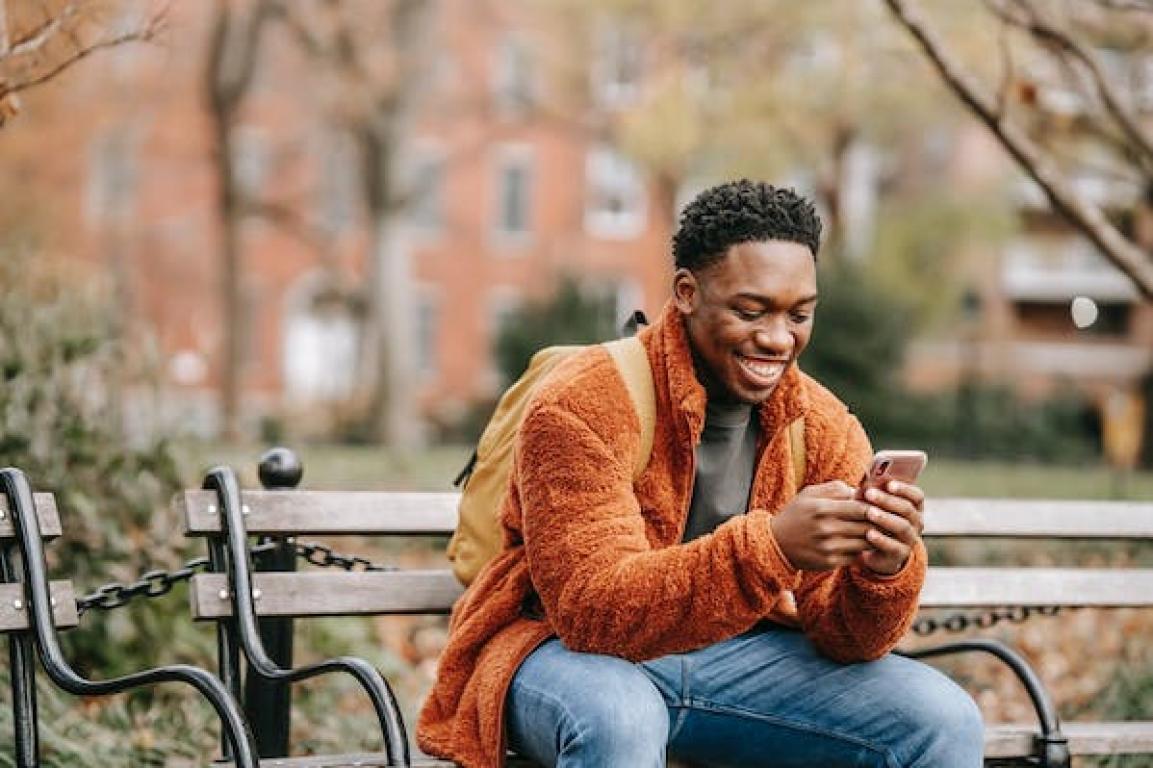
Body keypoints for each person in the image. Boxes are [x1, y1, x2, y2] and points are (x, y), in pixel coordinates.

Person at [418, 180, 984, 767]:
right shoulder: (583, 401)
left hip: (733, 662)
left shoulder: (821, 425)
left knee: (941, 720)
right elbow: (591, 614)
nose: (777, 338)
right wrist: (770, 546)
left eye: (800, 314)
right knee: (621, 717)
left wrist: (882, 569)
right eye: (750, 310)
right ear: (687, 293)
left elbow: (847, 639)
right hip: (557, 653)